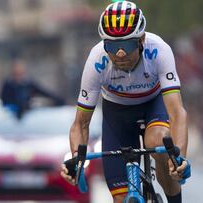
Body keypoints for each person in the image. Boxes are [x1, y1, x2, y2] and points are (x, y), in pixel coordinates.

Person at [61, 1, 191, 203]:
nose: (120, 53)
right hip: (117, 113)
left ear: (141, 40)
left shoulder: (159, 50)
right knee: (121, 199)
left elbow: (177, 113)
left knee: (158, 143)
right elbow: (81, 123)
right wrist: (76, 159)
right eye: (112, 45)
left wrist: (180, 158)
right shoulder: (96, 61)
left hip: (153, 104)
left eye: (127, 44)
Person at [0, 59, 65, 119]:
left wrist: (57, 98)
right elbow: (4, 101)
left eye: (20, 74)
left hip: (29, 115)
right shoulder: (7, 85)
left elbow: (43, 91)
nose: (18, 77)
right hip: (11, 114)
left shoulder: (28, 84)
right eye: (16, 74)